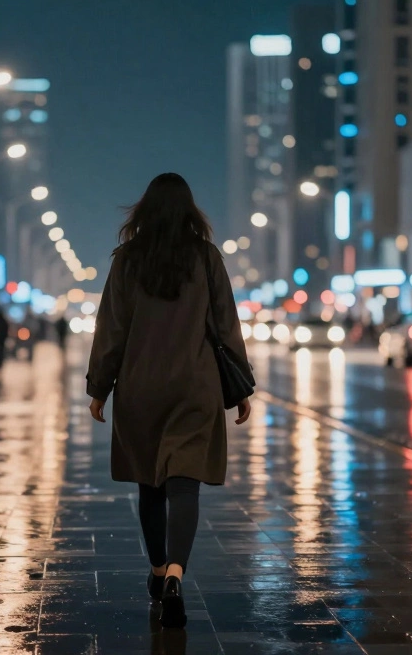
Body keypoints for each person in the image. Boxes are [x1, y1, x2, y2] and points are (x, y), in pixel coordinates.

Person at [86, 173, 251, 629]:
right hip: (194, 387)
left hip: (141, 388)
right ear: (189, 211)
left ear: (144, 211)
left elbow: (111, 329)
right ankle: (177, 573)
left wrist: (100, 386)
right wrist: (239, 388)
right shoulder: (205, 257)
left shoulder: (127, 261)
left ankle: (157, 571)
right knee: (185, 483)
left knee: (150, 484)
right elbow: (225, 325)